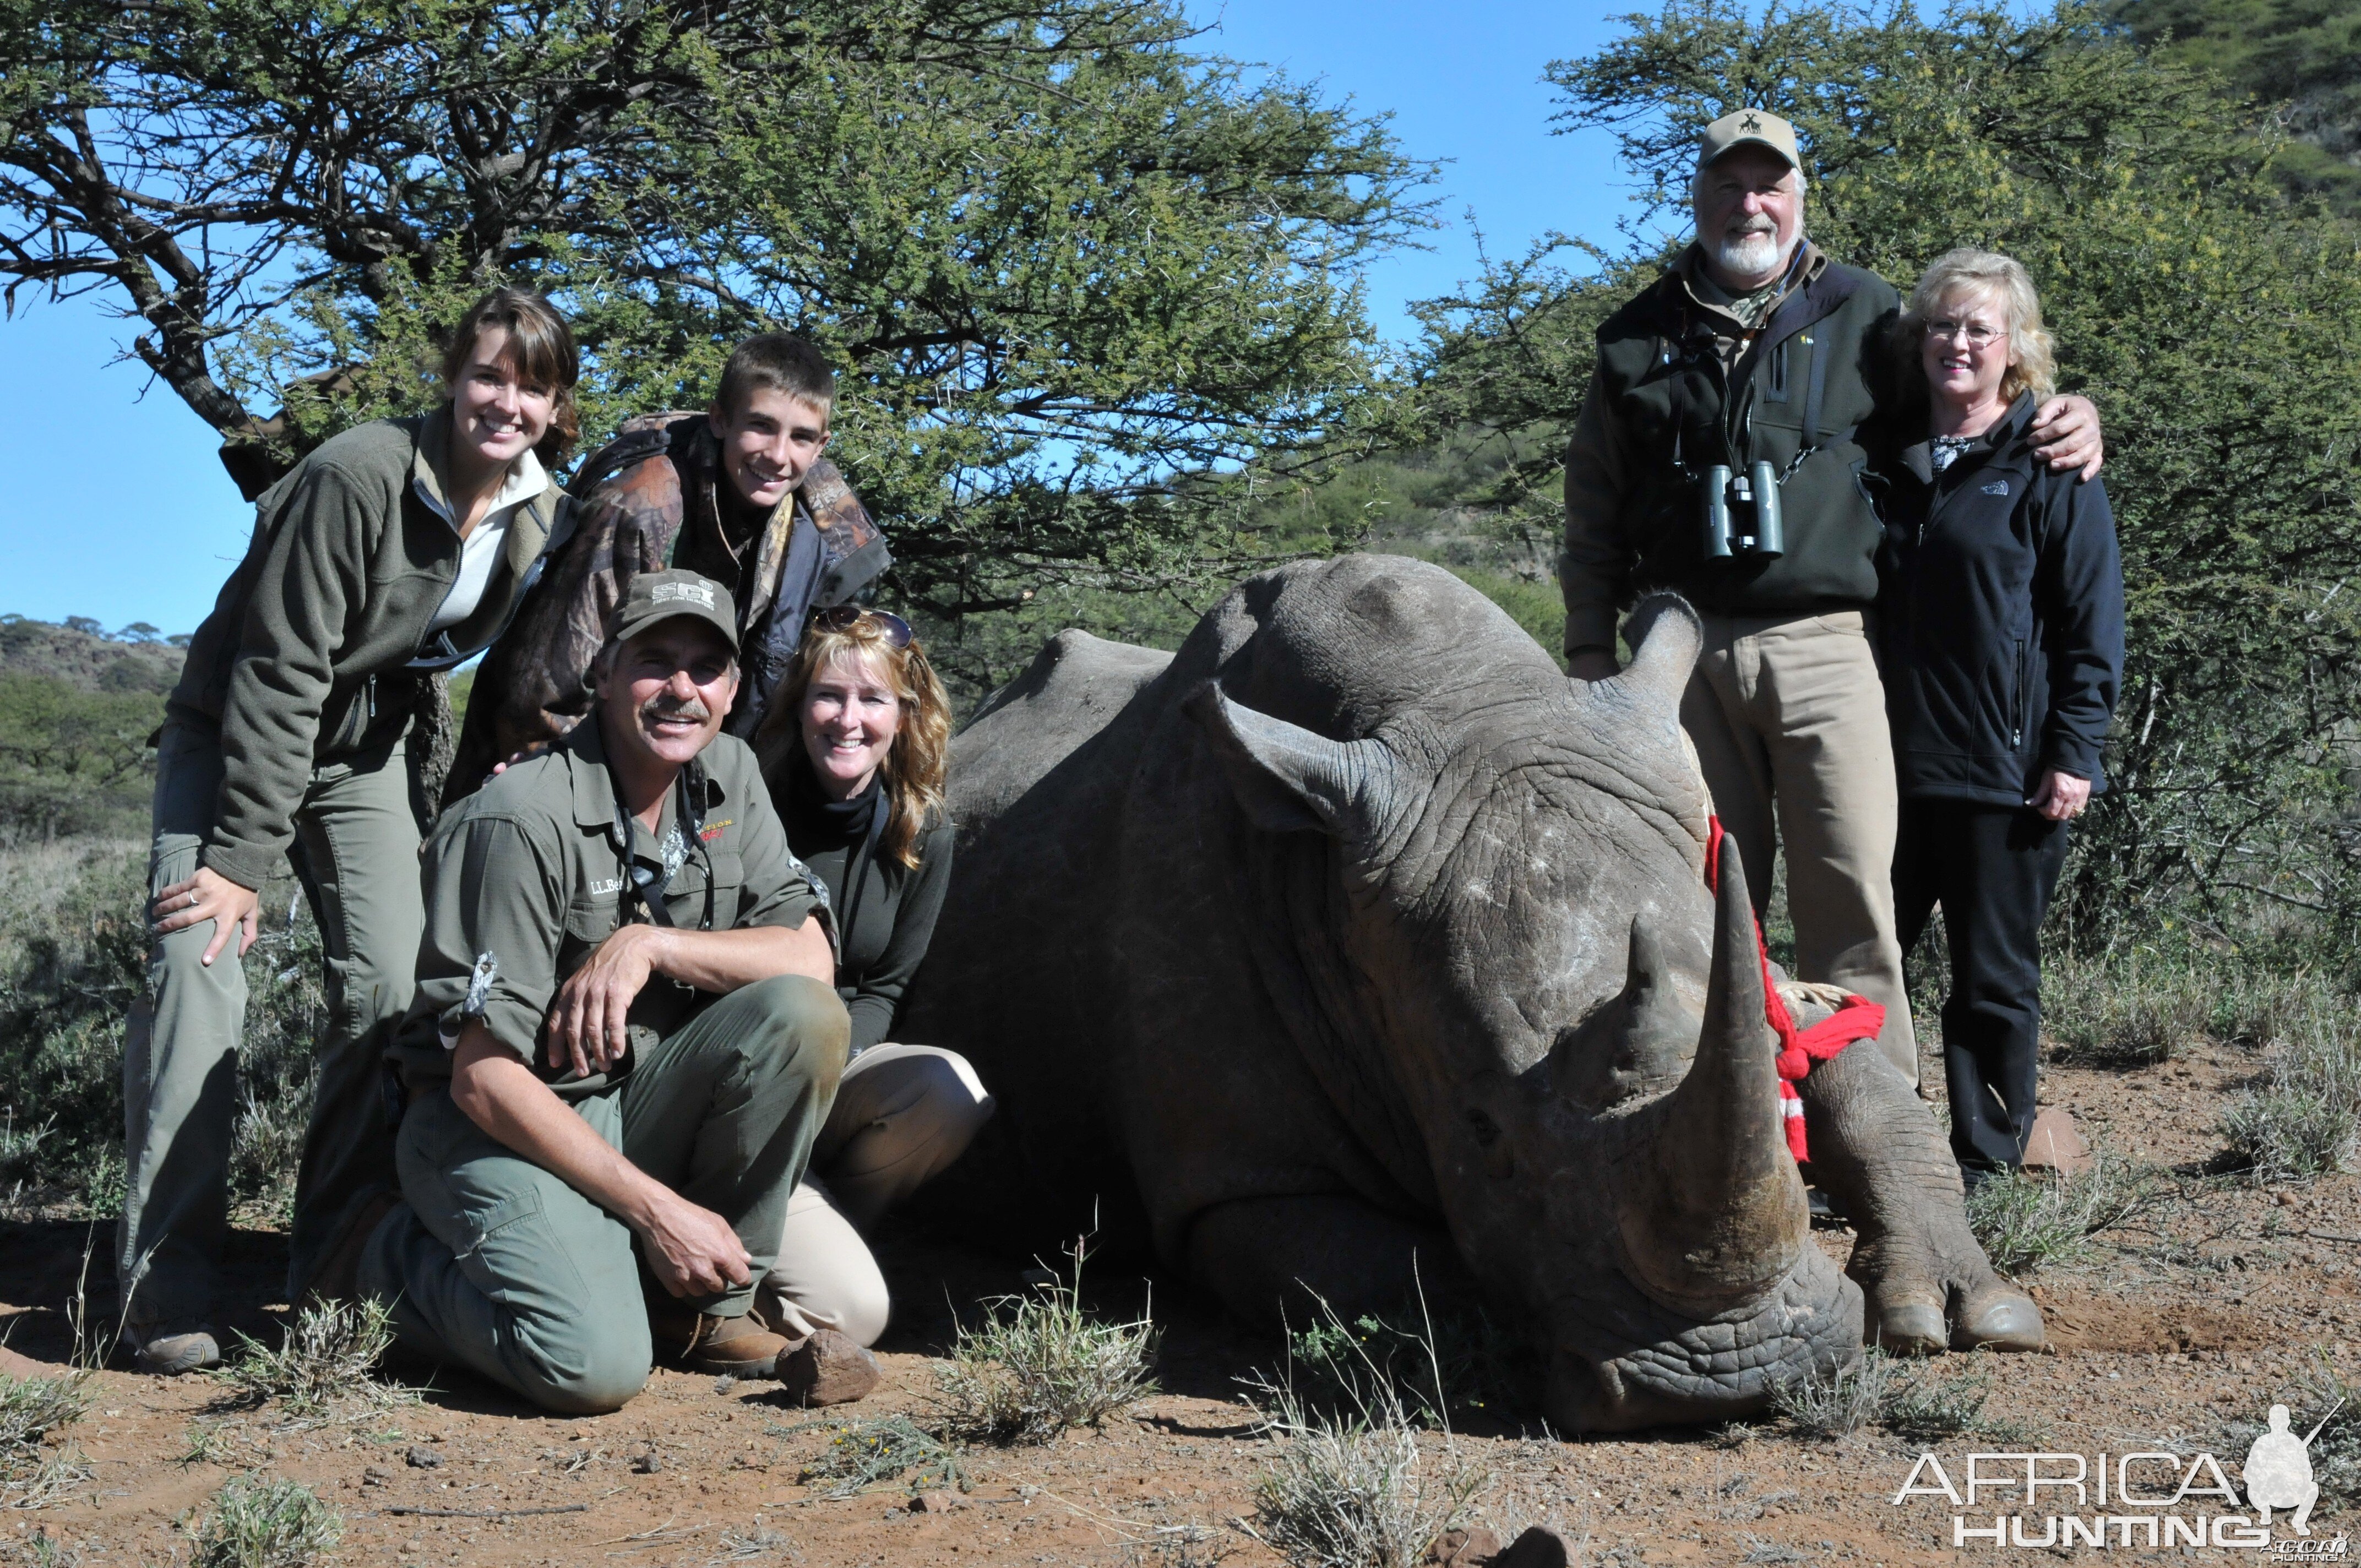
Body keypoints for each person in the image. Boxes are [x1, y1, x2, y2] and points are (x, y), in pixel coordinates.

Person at [1558, 108, 2106, 1088]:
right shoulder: (1634, 336)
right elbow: (1594, 504)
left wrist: (2064, 411)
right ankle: (1723, 1132)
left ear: (1798, 196)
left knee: (1849, 900)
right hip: (1674, 654)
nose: (1749, 203)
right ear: (1696, 196)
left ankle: (1872, 1130)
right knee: (1701, 896)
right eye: (1728, 184)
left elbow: (1966, 399)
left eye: (1768, 184)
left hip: (1827, 642)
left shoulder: (1870, 315)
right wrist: (1592, 652)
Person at [123, 287, 581, 1374]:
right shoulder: (354, 472)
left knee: (388, 989)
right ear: (450, 377)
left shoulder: (535, 513)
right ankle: (163, 1283)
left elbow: (476, 657)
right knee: (199, 971)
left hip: (362, 753)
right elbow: (279, 672)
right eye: (486, 374)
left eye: (530, 384)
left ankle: (326, 1261)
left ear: (557, 405)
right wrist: (239, 859)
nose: (503, 401)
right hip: (235, 732)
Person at [358, 570, 863, 1414]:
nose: (681, 690)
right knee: (590, 1368)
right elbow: (482, 1078)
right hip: (504, 1120)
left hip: (633, 1096)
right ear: (602, 671)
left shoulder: (729, 774)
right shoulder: (519, 817)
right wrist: (659, 1212)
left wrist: (652, 944)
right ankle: (382, 1264)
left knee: (801, 1016)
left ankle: (698, 1311)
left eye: (706, 669)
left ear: (733, 689)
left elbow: (808, 959)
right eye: (653, 662)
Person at [1876, 248, 2123, 1185]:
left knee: (1989, 982)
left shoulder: (2049, 460)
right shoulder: (1881, 459)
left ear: (2014, 349)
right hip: (1885, 771)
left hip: (2005, 773)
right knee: (1866, 972)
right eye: (1942, 324)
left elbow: (2091, 619)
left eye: (1979, 327)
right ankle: (1871, 1155)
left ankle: (1983, 1167)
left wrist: (2073, 752)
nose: (1957, 343)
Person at [449, 333, 891, 800]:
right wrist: (558, 795)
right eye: (761, 426)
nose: (779, 455)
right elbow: (544, 694)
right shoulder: (641, 505)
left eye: (801, 437)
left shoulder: (826, 530)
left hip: (708, 779)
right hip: (577, 773)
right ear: (720, 420)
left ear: (821, 446)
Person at [746, 607, 993, 1348]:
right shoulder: (745, 801)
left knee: (950, 1092)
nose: (847, 719)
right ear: (799, 706)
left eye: (872, 699)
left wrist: (827, 1066)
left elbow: (888, 987)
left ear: (905, 715)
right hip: (740, 1076)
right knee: (854, 1316)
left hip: (833, 1068)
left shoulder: (926, 831)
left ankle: (830, 1232)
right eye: (829, 695)